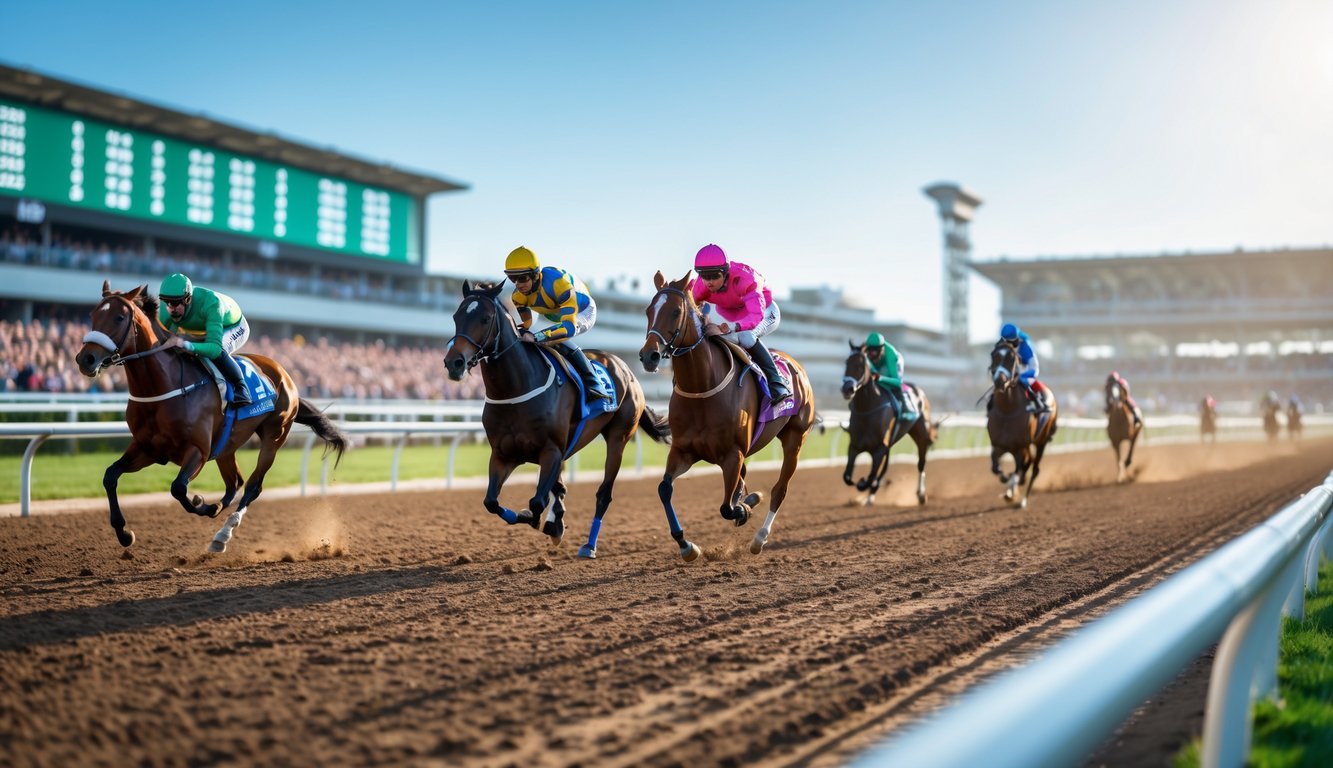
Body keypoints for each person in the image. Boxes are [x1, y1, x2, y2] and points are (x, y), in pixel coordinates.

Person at [503, 246, 611, 401]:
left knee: (555, 340)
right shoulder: (518, 297)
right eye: (513, 279)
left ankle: (594, 383)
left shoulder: (558, 284)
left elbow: (568, 328)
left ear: (535, 275)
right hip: (556, 314)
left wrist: (537, 337)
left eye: (523, 278)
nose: (518, 284)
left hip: (582, 311)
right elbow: (527, 323)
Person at [690, 243, 792, 403]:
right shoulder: (700, 287)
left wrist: (733, 327)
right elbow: (687, 305)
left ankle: (776, 382)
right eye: (704, 276)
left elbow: (755, 315)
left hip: (765, 312)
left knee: (745, 336)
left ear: (725, 272)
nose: (709, 282)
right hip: (733, 314)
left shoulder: (746, 280)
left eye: (714, 276)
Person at [157, 272, 253, 406]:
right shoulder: (166, 309)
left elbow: (214, 349)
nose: (171, 308)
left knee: (216, 351)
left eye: (175, 303)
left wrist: (186, 345)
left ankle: (241, 388)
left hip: (233, 326)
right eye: (166, 302)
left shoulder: (211, 303)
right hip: (201, 330)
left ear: (188, 299)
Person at [996, 322, 1048, 413]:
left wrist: (1019, 373)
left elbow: (1030, 365)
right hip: (1015, 371)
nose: (1007, 345)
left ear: (1015, 339)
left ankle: (1038, 403)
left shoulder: (1026, 346)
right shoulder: (1008, 345)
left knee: (1022, 380)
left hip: (1029, 370)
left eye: (1009, 342)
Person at [864, 331, 913, 417]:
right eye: (870, 351)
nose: (872, 354)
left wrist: (880, 378)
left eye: (876, 351)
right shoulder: (864, 350)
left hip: (891, 365)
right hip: (878, 365)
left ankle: (906, 407)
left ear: (882, 349)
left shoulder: (891, 354)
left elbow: (897, 382)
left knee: (889, 379)